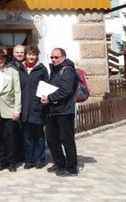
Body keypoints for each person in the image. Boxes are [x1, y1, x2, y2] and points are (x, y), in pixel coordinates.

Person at [41, 47, 79, 176]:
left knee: (66, 139)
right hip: (53, 110)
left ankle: (72, 167)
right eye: (52, 57)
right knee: (52, 139)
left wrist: (50, 98)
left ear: (63, 57)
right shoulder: (55, 70)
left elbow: (66, 90)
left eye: (56, 57)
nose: (53, 59)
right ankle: (59, 163)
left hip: (65, 111)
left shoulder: (67, 70)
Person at [20, 45, 49, 169]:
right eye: (29, 54)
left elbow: (46, 87)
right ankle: (29, 160)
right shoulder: (20, 69)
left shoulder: (42, 69)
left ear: (36, 56)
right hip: (24, 107)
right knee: (27, 136)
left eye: (33, 54)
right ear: (25, 55)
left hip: (37, 107)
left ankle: (39, 160)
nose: (31, 57)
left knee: (39, 136)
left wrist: (42, 101)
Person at [9, 44, 26, 163]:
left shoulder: (28, 65)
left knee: (26, 129)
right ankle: (17, 155)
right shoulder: (10, 67)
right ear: (13, 53)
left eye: (21, 52)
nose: (19, 54)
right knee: (15, 130)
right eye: (17, 52)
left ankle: (26, 154)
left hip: (27, 100)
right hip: (14, 101)